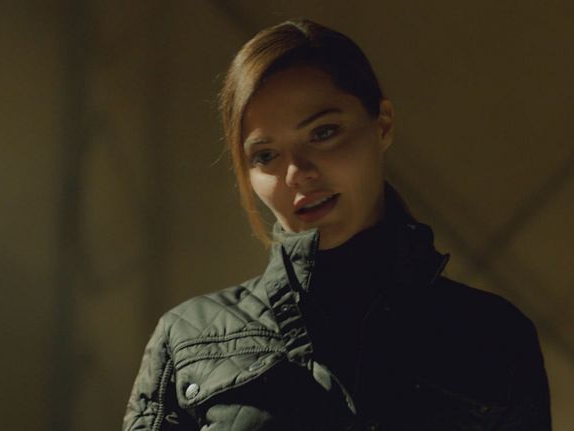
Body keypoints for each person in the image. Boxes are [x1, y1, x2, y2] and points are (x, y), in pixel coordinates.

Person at [123, 18, 551, 430]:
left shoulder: (492, 336)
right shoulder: (188, 338)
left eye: (323, 133)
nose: (297, 173)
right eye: (266, 155)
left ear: (382, 124)